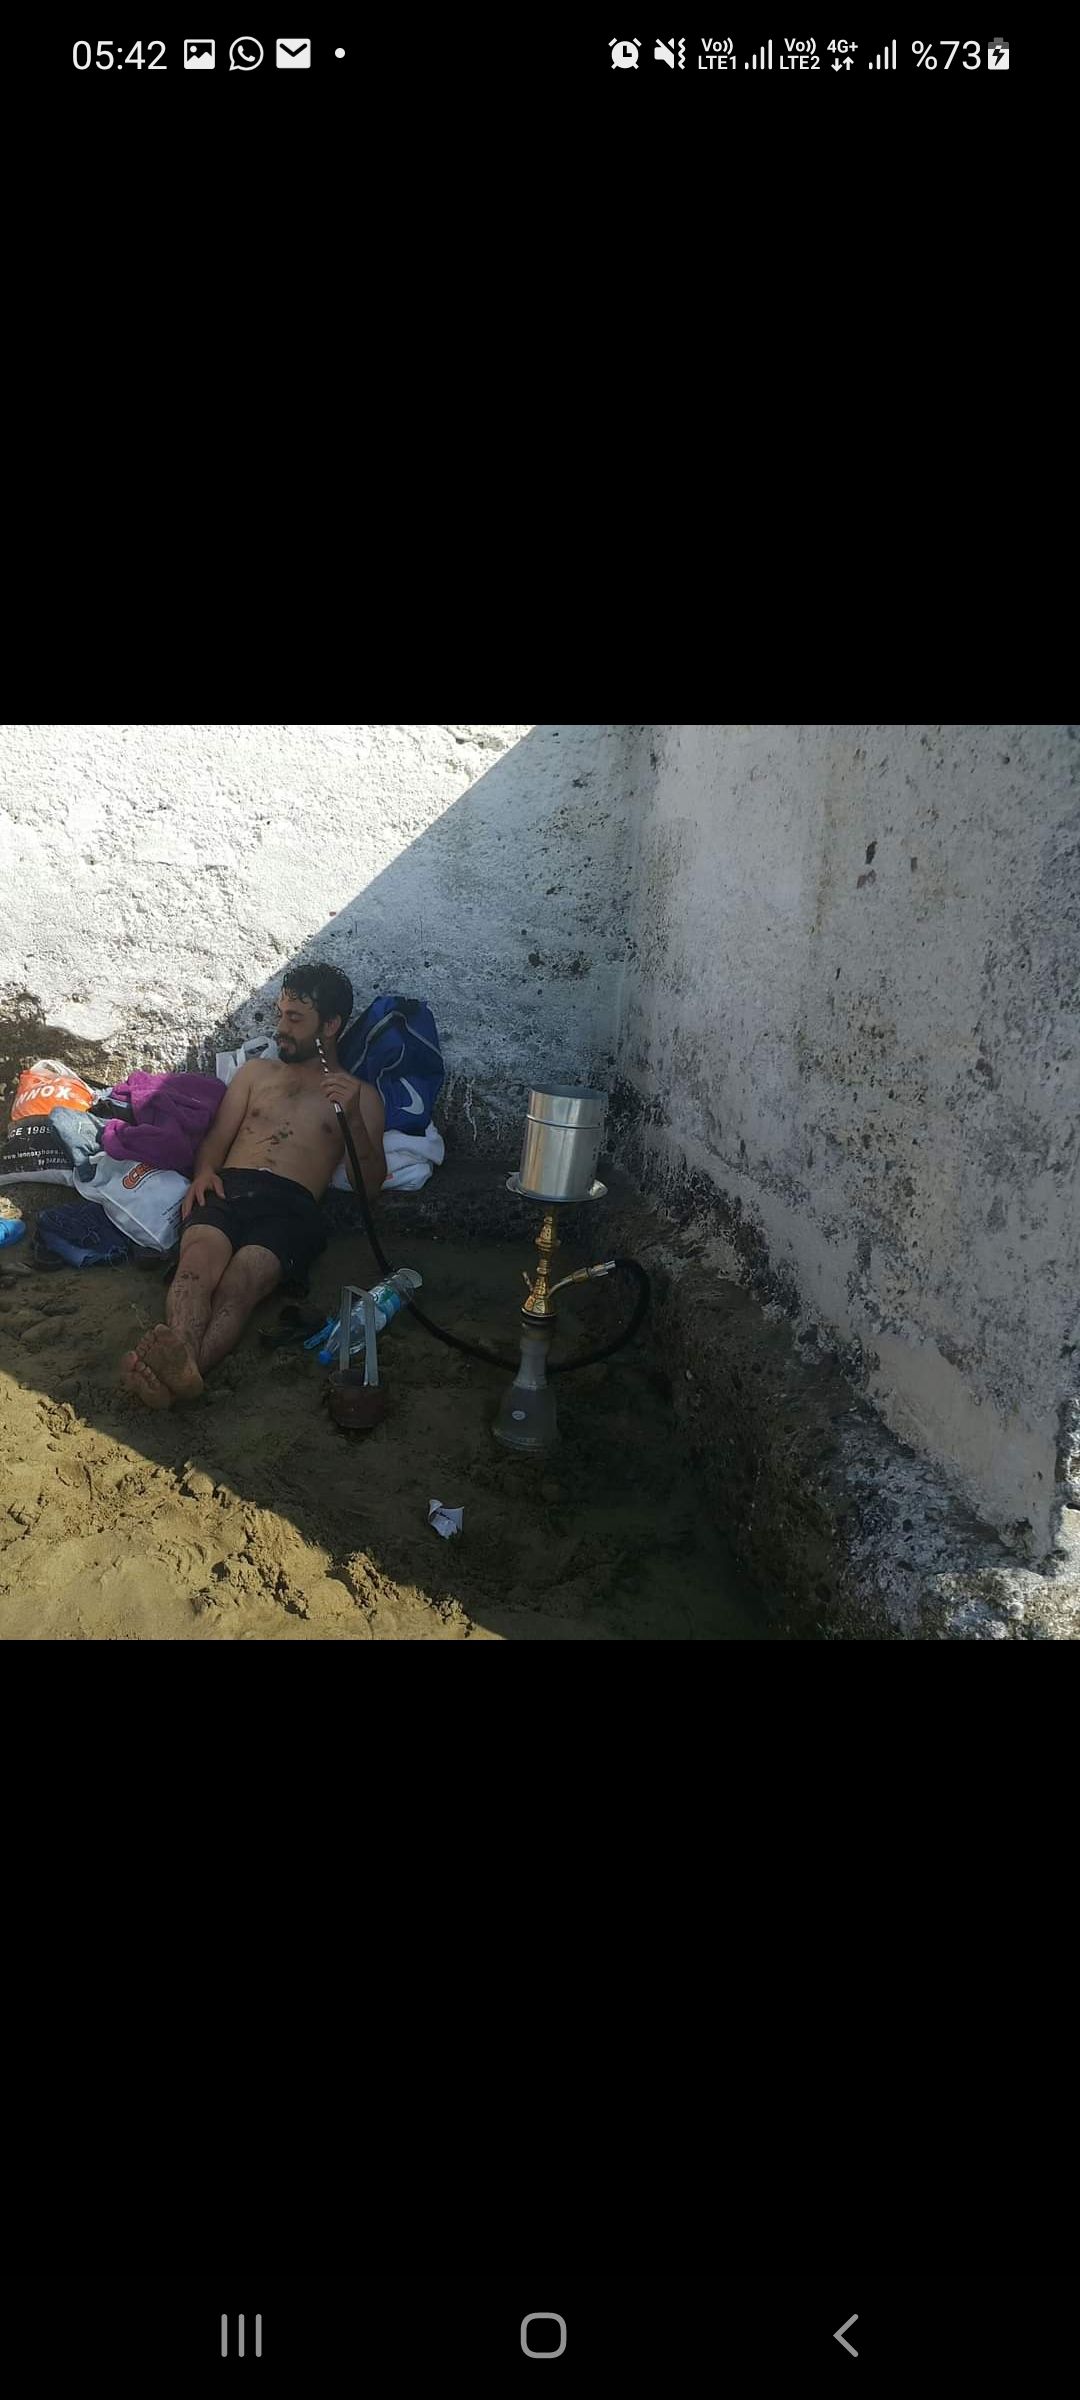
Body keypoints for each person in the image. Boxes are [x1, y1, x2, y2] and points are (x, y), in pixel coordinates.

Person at [119, 959, 385, 1409]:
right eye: (281, 1015)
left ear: (331, 1025)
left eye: (295, 1019)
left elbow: (370, 1187)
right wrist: (204, 1172)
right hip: (228, 1186)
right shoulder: (255, 1074)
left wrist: (354, 1118)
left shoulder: (360, 1097)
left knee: (241, 1280)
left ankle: (179, 1371)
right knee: (194, 1268)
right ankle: (185, 1373)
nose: (281, 1028)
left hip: (291, 1205)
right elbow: (216, 1139)